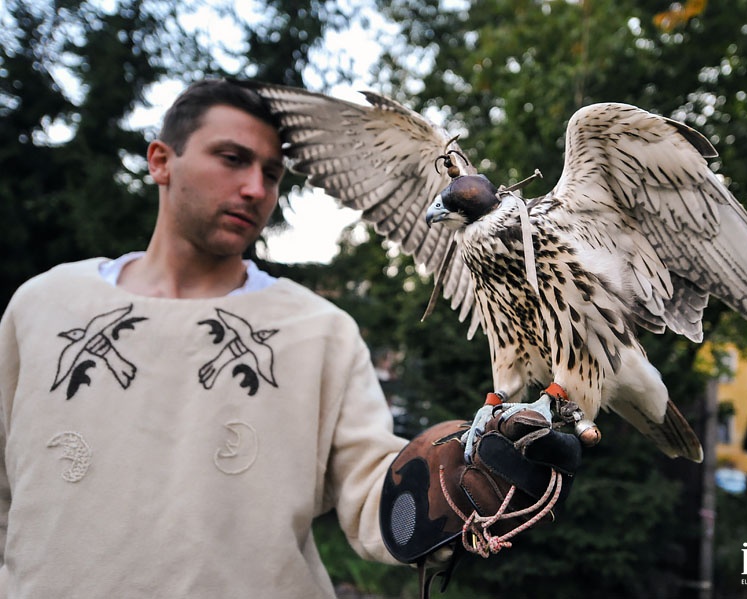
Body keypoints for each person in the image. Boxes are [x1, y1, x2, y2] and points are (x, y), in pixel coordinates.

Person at [0, 79, 578, 598]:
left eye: (272, 173)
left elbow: (376, 497)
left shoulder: (319, 329)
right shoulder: (43, 304)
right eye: (232, 159)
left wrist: (461, 476)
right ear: (160, 161)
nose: (255, 188)